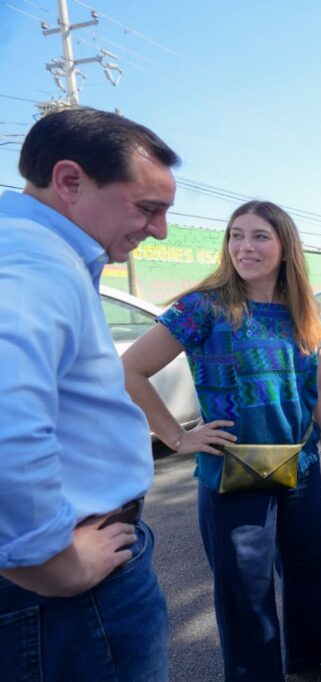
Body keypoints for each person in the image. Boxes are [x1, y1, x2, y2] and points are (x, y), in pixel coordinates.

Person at [121, 201, 321, 679]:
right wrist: (176, 436)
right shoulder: (204, 307)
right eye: (235, 235)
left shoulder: (304, 309)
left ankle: (313, 647)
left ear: (285, 246)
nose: (244, 247)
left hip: (300, 466)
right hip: (233, 473)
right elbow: (130, 369)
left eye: (259, 236)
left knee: (310, 568)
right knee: (245, 594)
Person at [0, 108, 176, 679]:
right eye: (148, 208)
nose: (159, 230)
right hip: (72, 595)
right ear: (70, 181)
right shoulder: (34, 258)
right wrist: (54, 564)